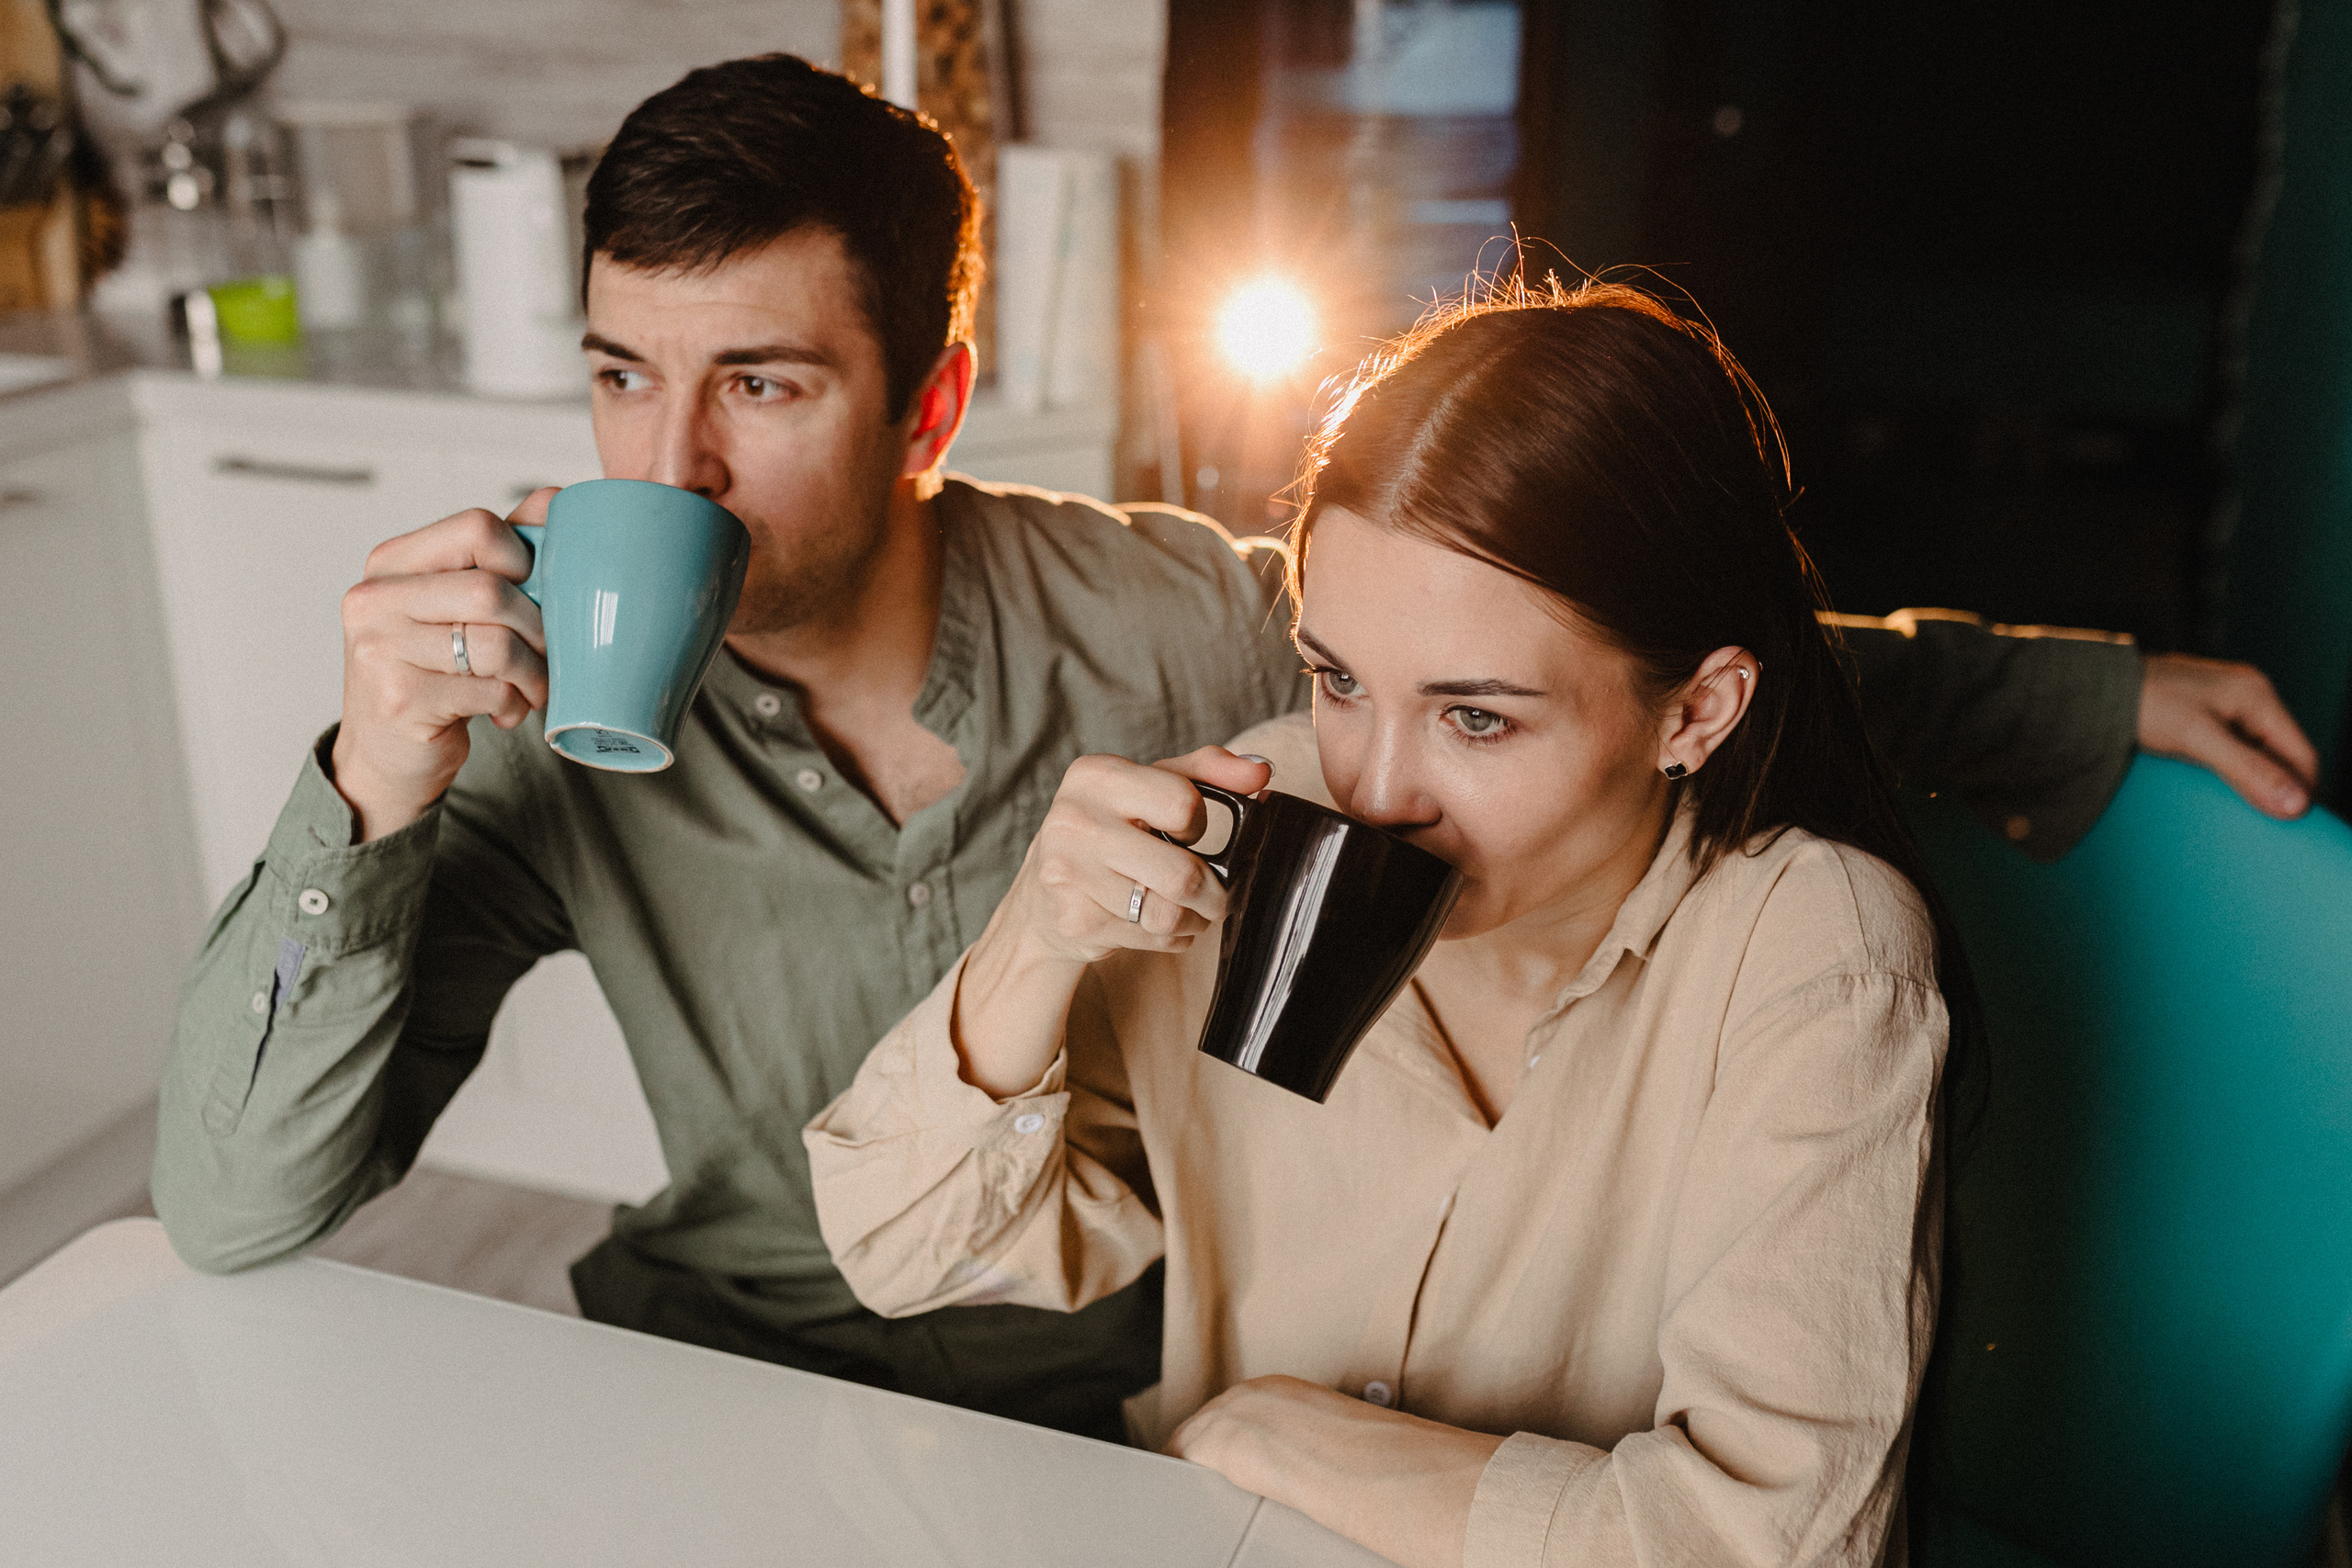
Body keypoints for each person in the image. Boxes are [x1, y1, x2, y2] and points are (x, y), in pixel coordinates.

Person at [151, 52, 2315, 1445]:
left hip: (1101, 1395)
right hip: (724, 1368)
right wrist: (364, 789)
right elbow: (240, 1207)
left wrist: (2068, 685)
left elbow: (1578, 641)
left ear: (927, 406)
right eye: (624, 378)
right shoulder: (535, 728)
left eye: (762, 387)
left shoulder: (1205, 626)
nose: (668, 463)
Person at [807, 281, 1953, 1565]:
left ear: (1694, 713)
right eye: (1338, 679)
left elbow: (1772, 1549)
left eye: (1477, 718)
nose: (1374, 789)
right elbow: (902, 1259)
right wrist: (1035, 938)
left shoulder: (1813, 953)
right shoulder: (1253, 823)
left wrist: (1291, 1437)